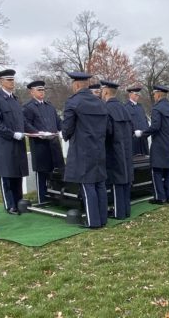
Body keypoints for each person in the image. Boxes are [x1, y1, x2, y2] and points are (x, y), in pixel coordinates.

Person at [62, 72, 109, 228]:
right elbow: (108, 128)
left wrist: (65, 135)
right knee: (100, 184)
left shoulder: (73, 102)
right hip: (100, 148)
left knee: (87, 185)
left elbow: (67, 128)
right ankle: (102, 219)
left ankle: (93, 221)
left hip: (82, 149)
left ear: (75, 85)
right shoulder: (100, 102)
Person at [0, 69, 28, 215]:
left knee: (17, 174)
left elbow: (22, 121)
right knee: (6, 175)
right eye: (9, 80)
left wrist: (36, 132)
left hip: (18, 143)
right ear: (1, 82)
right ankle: (10, 205)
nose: (12, 82)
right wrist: (12, 134)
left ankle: (19, 201)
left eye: (13, 80)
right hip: (5, 143)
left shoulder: (14, 99)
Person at [136, 84, 169, 205]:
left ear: (159, 94)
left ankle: (160, 197)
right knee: (168, 171)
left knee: (157, 171)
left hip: (160, 144)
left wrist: (142, 134)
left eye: (154, 94)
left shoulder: (157, 108)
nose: (154, 96)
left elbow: (155, 126)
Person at [22, 80, 64, 204]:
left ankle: (57, 196)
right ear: (32, 92)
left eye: (43, 90)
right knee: (42, 173)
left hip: (54, 144)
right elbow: (26, 124)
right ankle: (43, 198)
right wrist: (38, 133)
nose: (42, 92)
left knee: (57, 171)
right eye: (39, 90)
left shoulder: (49, 106)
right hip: (40, 145)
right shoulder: (28, 107)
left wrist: (63, 130)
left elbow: (58, 122)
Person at [100, 80, 134, 219]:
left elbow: (107, 131)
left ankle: (118, 212)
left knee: (116, 181)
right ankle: (126, 210)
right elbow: (131, 128)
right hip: (126, 148)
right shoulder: (124, 108)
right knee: (125, 180)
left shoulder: (106, 108)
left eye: (102, 91)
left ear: (106, 91)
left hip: (113, 149)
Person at [124, 86, 150, 155]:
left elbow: (145, 121)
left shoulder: (140, 107)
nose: (137, 96)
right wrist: (133, 132)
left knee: (145, 159)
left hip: (143, 138)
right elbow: (127, 124)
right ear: (130, 94)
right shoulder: (126, 107)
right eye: (136, 94)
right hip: (133, 140)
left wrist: (146, 132)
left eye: (138, 94)